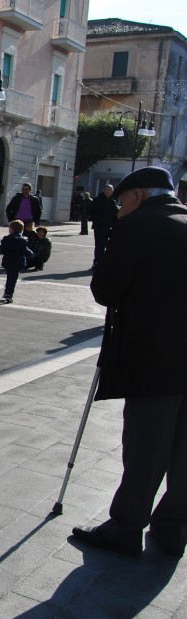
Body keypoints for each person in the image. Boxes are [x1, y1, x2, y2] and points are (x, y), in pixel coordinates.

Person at [72, 166, 187, 559]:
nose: (119, 208)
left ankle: (125, 528)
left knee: (146, 448)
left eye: (122, 201)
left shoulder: (138, 226)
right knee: (183, 452)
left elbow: (106, 290)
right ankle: (173, 531)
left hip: (154, 359)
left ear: (137, 197)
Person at [0, 220, 34, 304]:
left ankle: (7, 293)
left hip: (8, 261)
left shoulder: (6, 239)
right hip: (17, 262)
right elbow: (26, 251)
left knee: (10, 277)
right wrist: (31, 254)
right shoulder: (23, 240)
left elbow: (1, 249)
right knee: (13, 279)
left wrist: (0, 252)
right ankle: (9, 294)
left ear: (12, 229)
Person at [89, 184, 119, 269]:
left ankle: (104, 262)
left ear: (112, 191)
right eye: (106, 189)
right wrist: (97, 219)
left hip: (109, 227)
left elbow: (116, 214)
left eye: (109, 190)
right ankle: (97, 262)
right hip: (99, 227)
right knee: (99, 246)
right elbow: (91, 211)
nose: (107, 191)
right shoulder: (97, 200)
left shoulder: (112, 201)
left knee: (109, 246)